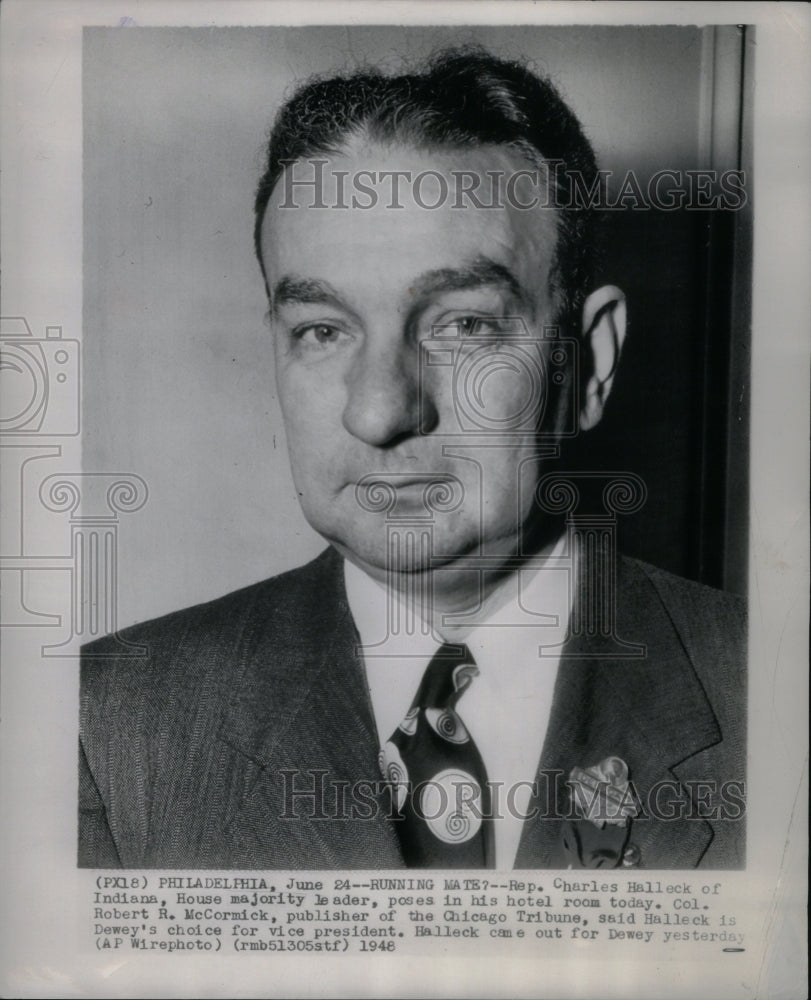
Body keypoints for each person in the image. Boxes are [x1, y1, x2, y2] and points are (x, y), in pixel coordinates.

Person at [79, 47, 745, 870]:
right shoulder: (104, 723)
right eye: (322, 330)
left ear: (587, 365)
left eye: (461, 324)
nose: (379, 410)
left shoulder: (773, 693)